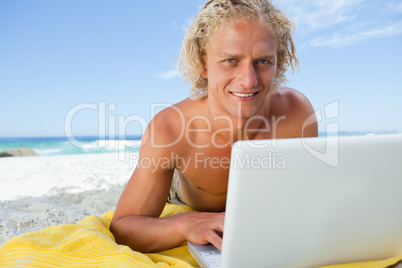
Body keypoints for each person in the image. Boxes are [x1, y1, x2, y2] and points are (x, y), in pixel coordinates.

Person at [110, 0, 318, 253]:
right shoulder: (170, 129)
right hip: (180, 194)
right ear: (203, 63)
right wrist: (183, 223)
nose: (248, 80)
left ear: (279, 61)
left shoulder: (297, 113)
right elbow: (123, 228)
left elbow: (304, 195)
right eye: (231, 60)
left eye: (263, 61)